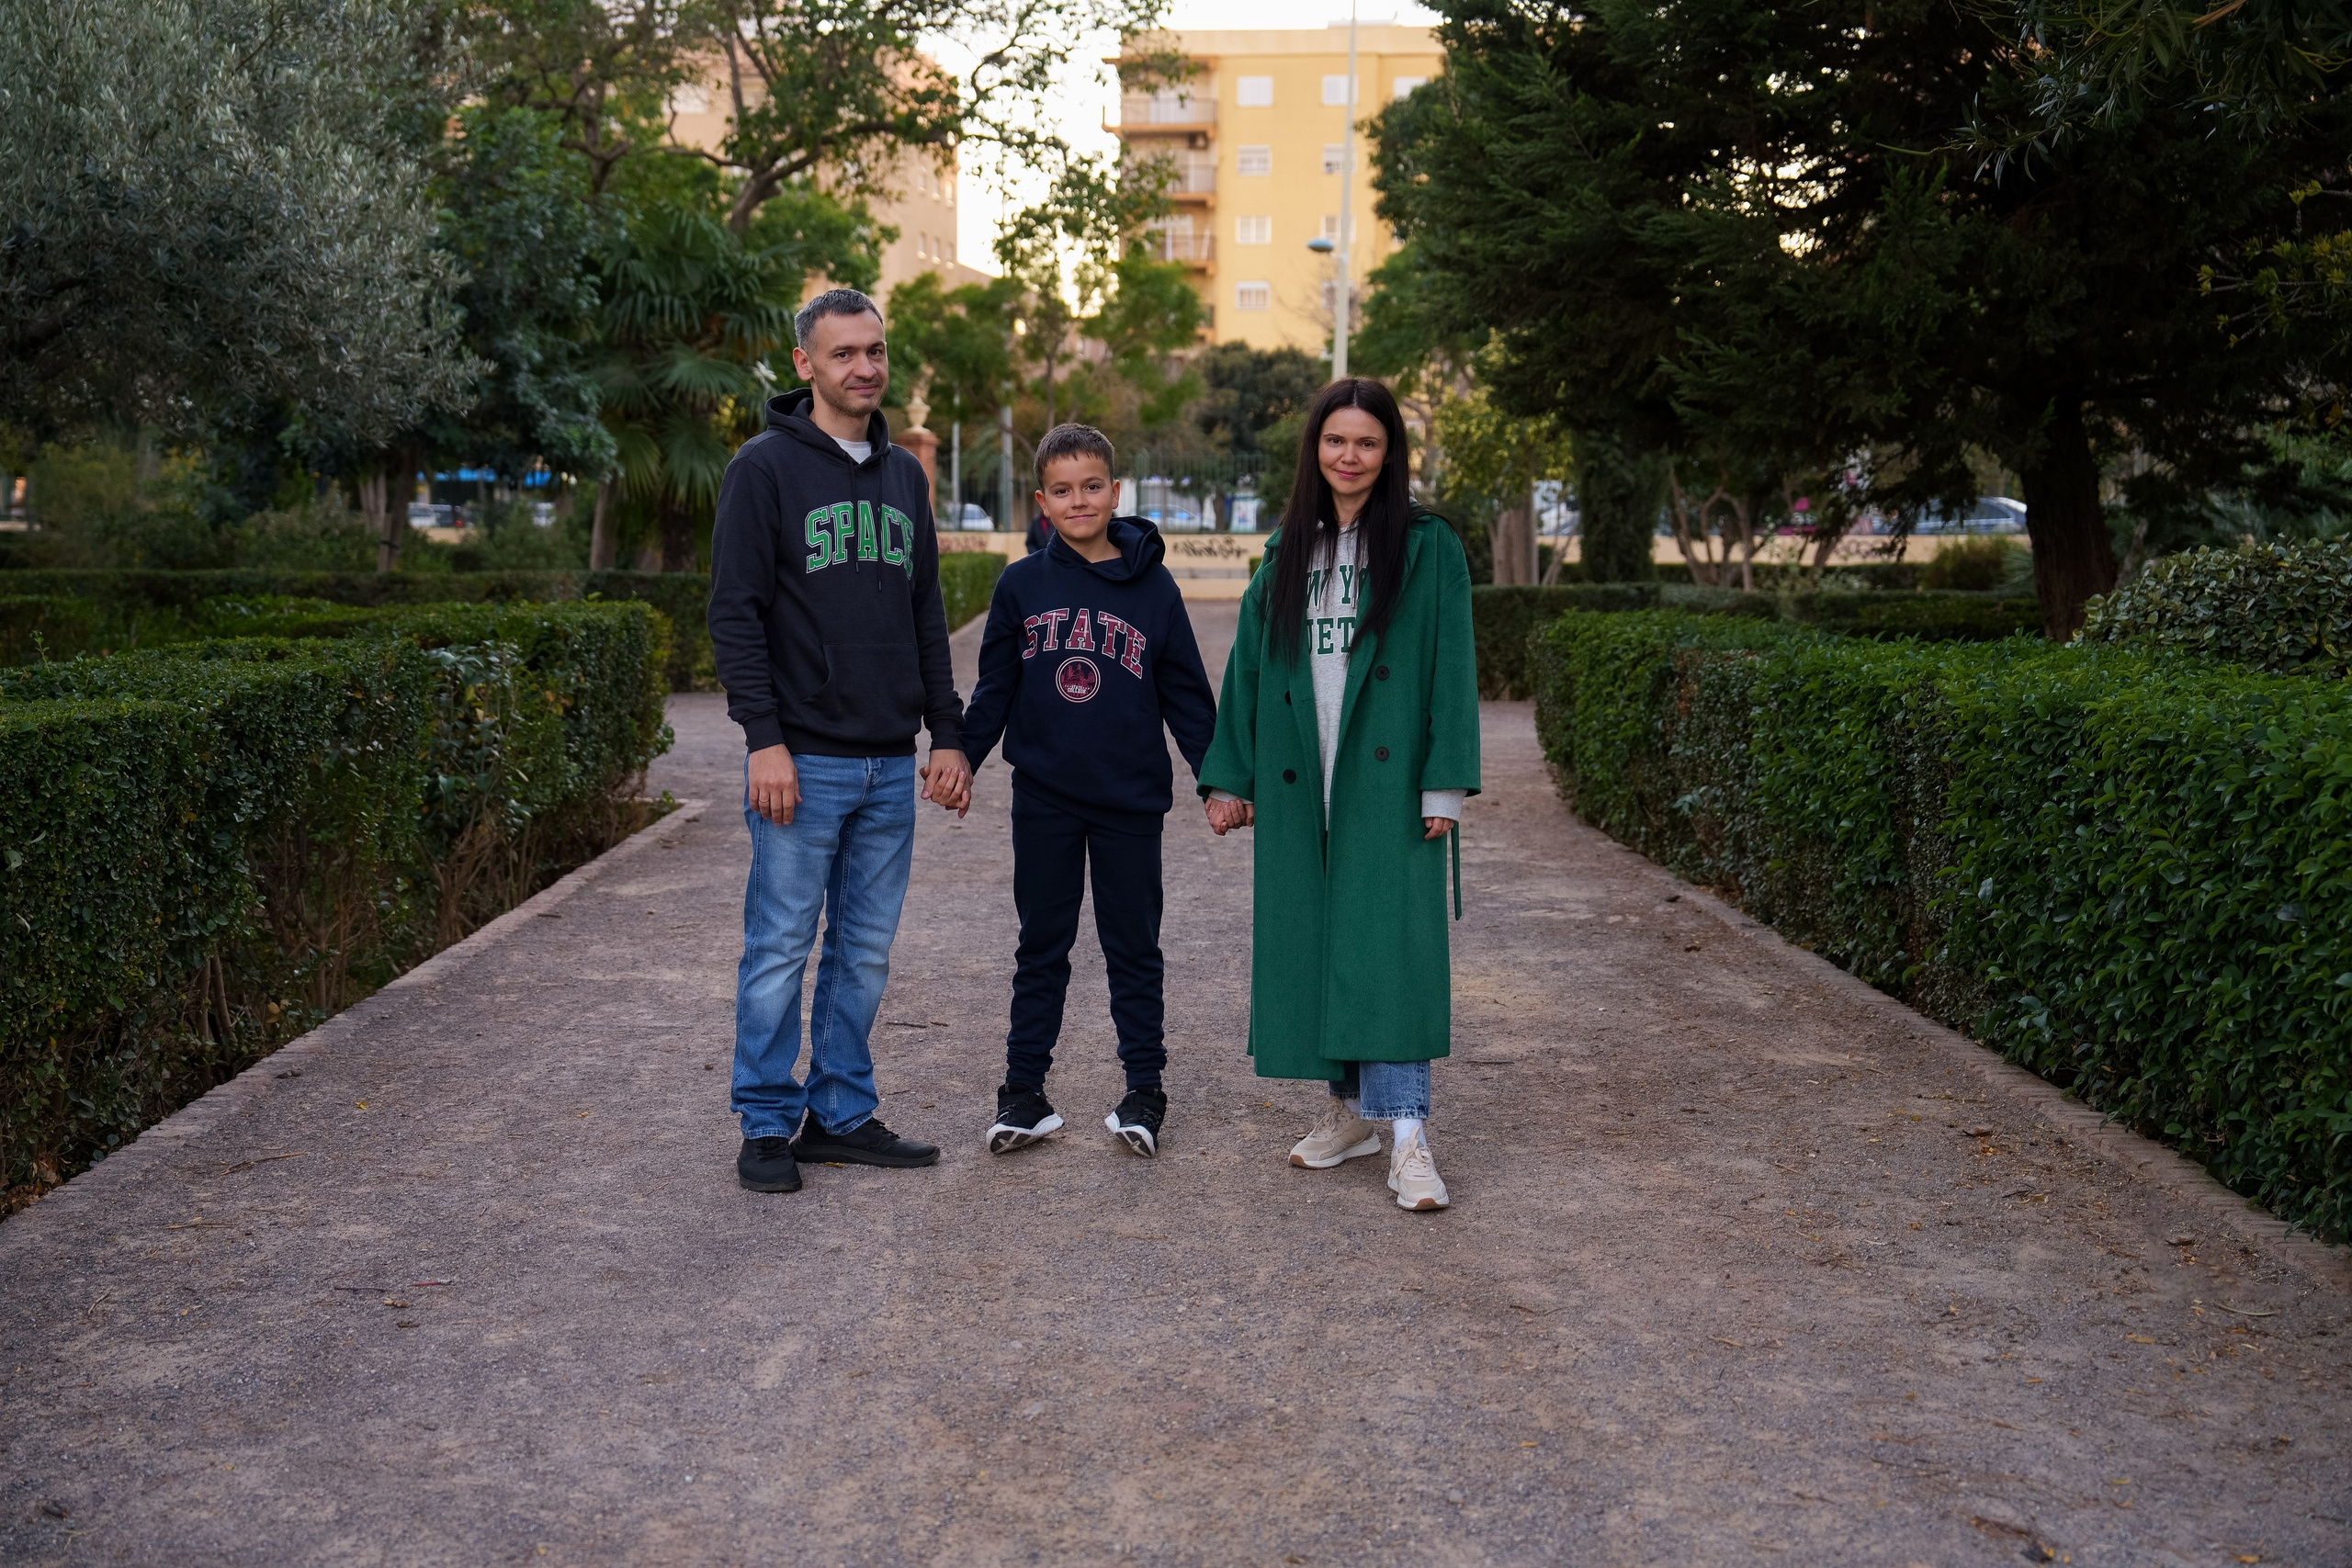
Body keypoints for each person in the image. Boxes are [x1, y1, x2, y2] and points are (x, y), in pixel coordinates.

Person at [707, 288, 975, 1195]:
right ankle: (768, 1127)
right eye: (844, 354)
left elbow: (925, 613)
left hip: (887, 761)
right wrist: (763, 740)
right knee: (779, 946)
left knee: (863, 951)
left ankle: (842, 1113)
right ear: (805, 366)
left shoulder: (902, 475)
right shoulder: (764, 468)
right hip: (803, 763)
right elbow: (734, 613)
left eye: (876, 351)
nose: (864, 368)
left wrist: (949, 733)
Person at [1197, 378, 1480, 1213]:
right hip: (1301, 778)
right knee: (1320, 942)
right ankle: (1350, 1114)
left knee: (1387, 950)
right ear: (1313, 449)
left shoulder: (1429, 548)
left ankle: (1409, 1138)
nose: (1348, 456)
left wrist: (1445, 784)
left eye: (1365, 442)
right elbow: (1251, 665)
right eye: (1334, 441)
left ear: (1390, 453)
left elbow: (1452, 669)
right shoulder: (1289, 548)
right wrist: (1230, 775)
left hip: (1387, 781)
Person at [957, 424, 1217, 1158]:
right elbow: (995, 689)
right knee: (1042, 944)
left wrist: (1218, 780)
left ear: (1115, 491)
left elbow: (1187, 696)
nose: (1080, 501)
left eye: (1093, 486)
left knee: (1133, 945)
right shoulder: (1020, 585)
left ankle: (1144, 1092)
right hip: (1045, 797)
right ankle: (1023, 1093)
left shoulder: (1152, 585)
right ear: (1043, 501)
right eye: (1063, 490)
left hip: (1130, 800)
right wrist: (962, 758)